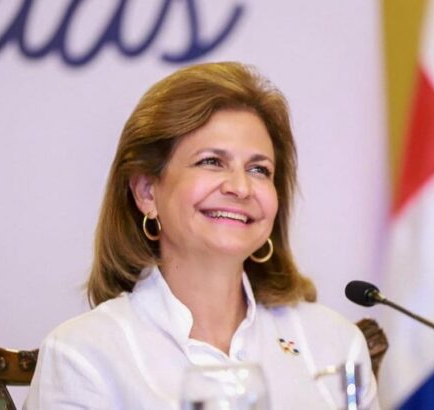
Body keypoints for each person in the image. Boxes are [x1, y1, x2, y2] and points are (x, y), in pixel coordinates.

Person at [24, 62, 379, 409]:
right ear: (147, 191)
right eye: (211, 161)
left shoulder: (336, 345)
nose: (241, 187)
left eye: (259, 169)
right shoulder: (82, 356)